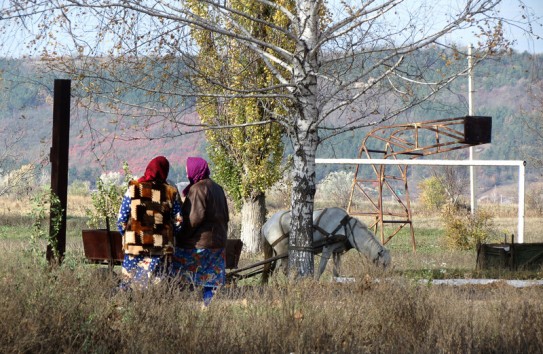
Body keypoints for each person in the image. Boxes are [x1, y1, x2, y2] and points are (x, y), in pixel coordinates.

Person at [116, 156, 182, 290]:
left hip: (135, 246)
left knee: (129, 286)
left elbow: (121, 220)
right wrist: (169, 234)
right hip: (161, 248)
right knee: (156, 288)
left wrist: (129, 235)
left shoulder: (133, 188)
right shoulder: (171, 192)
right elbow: (178, 222)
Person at [172, 157, 229, 306]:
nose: (186, 173)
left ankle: (182, 305)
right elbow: (226, 216)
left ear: (195, 170)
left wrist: (179, 237)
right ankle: (208, 305)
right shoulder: (218, 188)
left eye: (187, 170)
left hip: (200, 245)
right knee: (211, 279)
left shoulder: (197, 189)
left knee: (174, 266)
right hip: (219, 243)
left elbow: (192, 220)